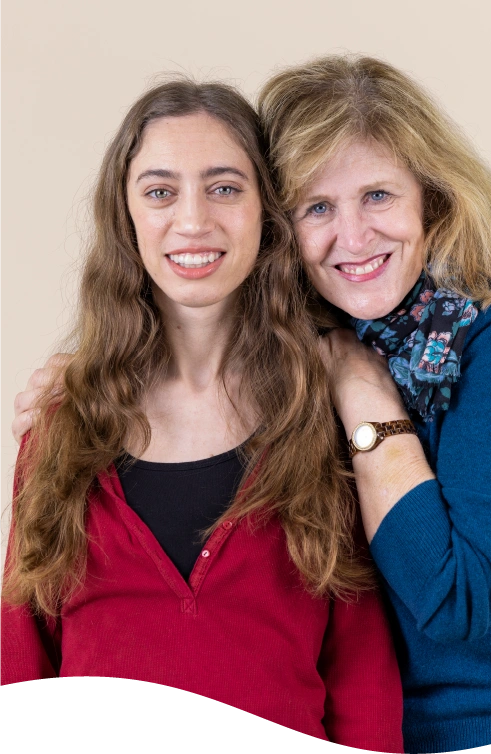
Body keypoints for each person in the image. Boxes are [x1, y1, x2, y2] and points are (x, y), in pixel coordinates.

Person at [1, 78, 404, 753]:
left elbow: (362, 677)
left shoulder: (322, 416)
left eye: (224, 187)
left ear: (266, 214)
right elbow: (19, 662)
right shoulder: (64, 426)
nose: (192, 221)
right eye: (160, 192)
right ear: (126, 217)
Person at [255, 55, 491, 753]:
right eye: (317, 207)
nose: (354, 237)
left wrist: (364, 392)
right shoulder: (320, 337)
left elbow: (453, 595)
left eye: (377, 196)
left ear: (431, 198)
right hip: (391, 733)